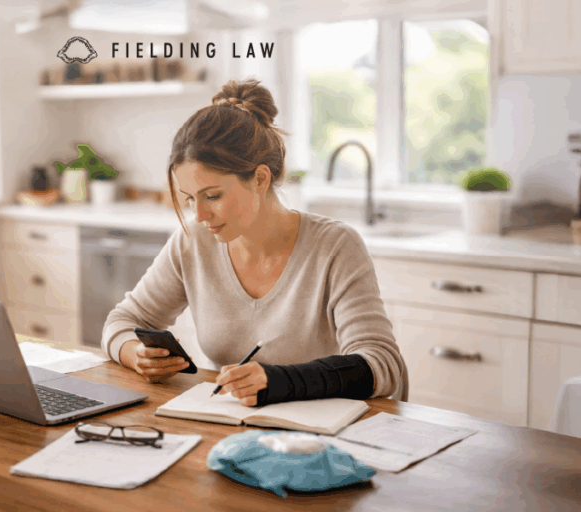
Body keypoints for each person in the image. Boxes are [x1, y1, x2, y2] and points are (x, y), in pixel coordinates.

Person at [101, 78, 406, 406]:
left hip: (318, 440)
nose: (201, 214)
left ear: (260, 178)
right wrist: (136, 354)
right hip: (232, 429)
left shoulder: (335, 246)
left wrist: (279, 381)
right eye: (190, 198)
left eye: (213, 195)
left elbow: (382, 364)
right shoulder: (194, 242)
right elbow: (122, 322)